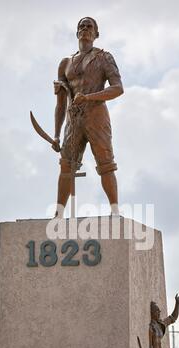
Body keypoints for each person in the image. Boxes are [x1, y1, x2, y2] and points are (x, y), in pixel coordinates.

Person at [52, 17, 124, 217]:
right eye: (81, 26)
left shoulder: (104, 57)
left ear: (96, 34)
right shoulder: (65, 63)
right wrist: (57, 134)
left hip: (96, 116)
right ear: (77, 33)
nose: (85, 29)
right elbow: (60, 104)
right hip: (73, 120)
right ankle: (58, 214)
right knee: (66, 165)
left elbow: (118, 88)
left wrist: (89, 97)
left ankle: (115, 211)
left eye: (89, 26)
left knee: (105, 162)